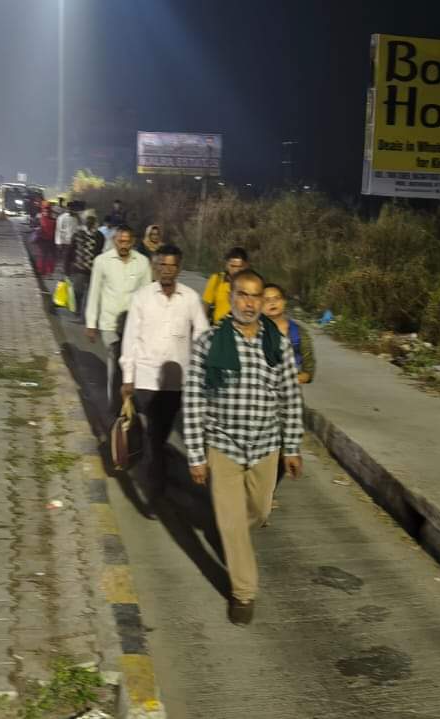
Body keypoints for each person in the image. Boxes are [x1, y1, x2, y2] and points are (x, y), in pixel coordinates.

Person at [183, 269, 303, 626]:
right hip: (224, 445)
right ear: (231, 297)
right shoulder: (209, 342)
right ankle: (243, 593)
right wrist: (196, 454)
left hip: (266, 445)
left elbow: (290, 396)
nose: (248, 303)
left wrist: (292, 446)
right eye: (242, 295)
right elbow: (193, 400)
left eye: (255, 297)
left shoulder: (276, 343)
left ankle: (233, 530)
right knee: (233, 524)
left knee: (259, 512)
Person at [119, 244, 209, 510]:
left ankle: (155, 477)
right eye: (162, 265)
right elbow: (130, 339)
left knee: (159, 436)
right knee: (154, 437)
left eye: (172, 266)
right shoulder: (141, 298)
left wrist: (203, 373)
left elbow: (202, 336)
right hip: (146, 378)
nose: (167, 271)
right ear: (155, 267)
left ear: (179, 268)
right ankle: (153, 493)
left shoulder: (191, 298)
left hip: (177, 382)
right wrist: (128, 377)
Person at [86, 225, 151, 412]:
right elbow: (94, 293)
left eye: (127, 241)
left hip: (133, 323)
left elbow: (147, 295)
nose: (123, 245)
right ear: (114, 240)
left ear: (133, 242)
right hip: (110, 323)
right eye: (120, 241)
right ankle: (115, 405)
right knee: (116, 362)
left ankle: (129, 402)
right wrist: (91, 324)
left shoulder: (142, 263)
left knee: (131, 364)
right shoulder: (102, 261)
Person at [261, 284, 314, 385]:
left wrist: (299, 378)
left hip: (289, 392)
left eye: (277, 298)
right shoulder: (253, 332)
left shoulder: (298, 333)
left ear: (284, 301)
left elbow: (308, 370)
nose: (272, 303)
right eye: (266, 300)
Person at [202, 247, 250, 323]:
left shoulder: (252, 283)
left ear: (246, 266)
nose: (236, 270)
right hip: (219, 329)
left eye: (240, 267)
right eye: (233, 266)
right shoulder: (216, 280)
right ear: (227, 265)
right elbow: (205, 307)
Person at [70, 211, 102, 319]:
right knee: (78, 291)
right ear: (84, 221)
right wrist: (67, 266)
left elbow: (101, 253)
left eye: (92, 219)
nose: (89, 221)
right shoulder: (78, 234)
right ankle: (78, 310)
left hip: (94, 269)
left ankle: (86, 315)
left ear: (95, 221)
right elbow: (71, 250)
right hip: (80, 268)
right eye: (88, 219)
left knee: (91, 294)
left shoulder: (99, 236)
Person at [54, 200, 84, 280]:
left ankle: (73, 273)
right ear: (68, 208)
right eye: (71, 208)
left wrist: (79, 219)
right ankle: (66, 275)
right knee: (66, 258)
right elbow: (58, 230)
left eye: (74, 209)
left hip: (76, 241)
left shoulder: (77, 217)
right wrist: (59, 242)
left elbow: (80, 227)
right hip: (65, 242)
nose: (72, 210)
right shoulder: (62, 217)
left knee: (74, 258)